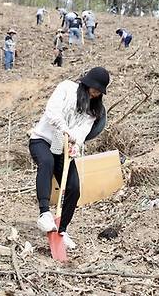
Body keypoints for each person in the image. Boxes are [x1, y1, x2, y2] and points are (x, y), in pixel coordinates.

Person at [29, 67, 110, 250]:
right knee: (47, 163)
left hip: (63, 147)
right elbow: (52, 111)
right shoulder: (66, 88)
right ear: (87, 82)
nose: (96, 93)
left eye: (99, 91)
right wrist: (65, 130)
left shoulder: (93, 111)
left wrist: (75, 143)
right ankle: (44, 214)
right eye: (94, 88)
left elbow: (82, 132)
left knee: (74, 187)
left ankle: (62, 230)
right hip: (42, 139)